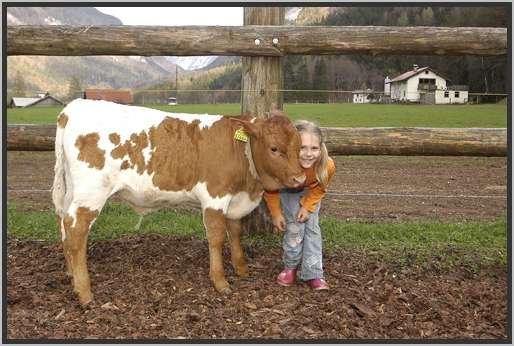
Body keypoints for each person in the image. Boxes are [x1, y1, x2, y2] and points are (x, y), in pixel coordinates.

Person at [263, 120, 336, 290]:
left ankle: (314, 273)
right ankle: (291, 267)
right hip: (288, 191)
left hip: (310, 192)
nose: (308, 154)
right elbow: (270, 189)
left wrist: (307, 206)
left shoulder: (327, 166)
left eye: (314, 148)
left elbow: (320, 189)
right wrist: (276, 213)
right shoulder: (282, 166)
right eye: (302, 148)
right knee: (295, 227)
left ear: (321, 148)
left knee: (312, 228)